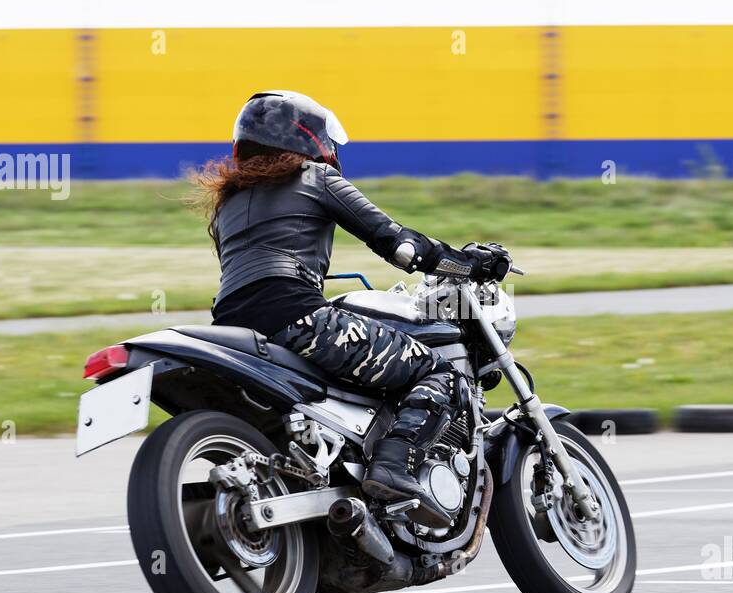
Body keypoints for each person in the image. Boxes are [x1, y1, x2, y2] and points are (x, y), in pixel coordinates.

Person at [194, 90, 510, 524]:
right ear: (309, 140)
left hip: (235, 327)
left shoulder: (228, 203)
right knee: (442, 372)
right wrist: (469, 262)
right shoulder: (314, 178)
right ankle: (393, 471)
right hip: (298, 317)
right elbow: (400, 246)